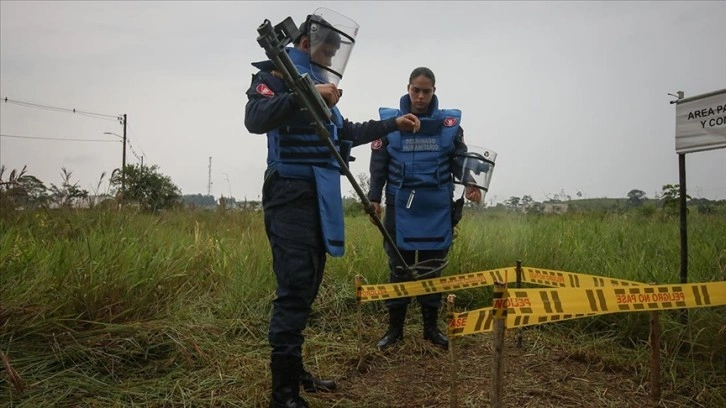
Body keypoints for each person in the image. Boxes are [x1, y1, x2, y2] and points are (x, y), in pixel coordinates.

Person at [244, 12, 421, 408]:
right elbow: (253, 118)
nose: (328, 59)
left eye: (334, 53)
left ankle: (296, 373)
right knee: (293, 290)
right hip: (290, 194)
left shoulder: (320, 87)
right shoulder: (276, 76)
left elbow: (349, 133)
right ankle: (283, 395)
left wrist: (393, 126)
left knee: (306, 287)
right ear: (305, 44)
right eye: (325, 49)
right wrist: (300, 96)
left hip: (320, 197)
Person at [367, 67, 481, 351]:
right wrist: (374, 197)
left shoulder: (449, 124)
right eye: (415, 90)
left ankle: (431, 329)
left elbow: (459, 159)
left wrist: (470, 182)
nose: (420, 96)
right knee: (399, 268)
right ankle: (395, 330)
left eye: (426, 91)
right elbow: (378, 164)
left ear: (434, 91)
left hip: (437, 206)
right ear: (408, 88)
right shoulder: (390, 122)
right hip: (399, 205)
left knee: (432, 269)